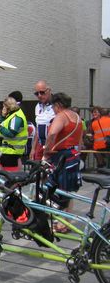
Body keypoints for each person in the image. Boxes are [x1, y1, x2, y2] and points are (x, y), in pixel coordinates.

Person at [42, 92, 83, 233]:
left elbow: (52, 133)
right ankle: (66, 222)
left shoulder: (61, 116)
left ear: (58, 105)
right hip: (74, 155)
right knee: (68, 190)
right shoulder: (76, 117)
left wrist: (46, 151)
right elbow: (80, 140)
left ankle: (61, 224)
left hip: (62, 156)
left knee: (59, 189)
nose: (53, 109)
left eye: (53, 106)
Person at [0, 97, 27, 171]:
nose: (3, 108)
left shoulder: (16, 117)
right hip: (7, 151)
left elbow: (11, 133)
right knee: (5, 176)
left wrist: (0, 127)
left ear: (8, 106)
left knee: (10, 176)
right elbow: (2, 123)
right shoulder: (11, 115)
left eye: (4, 106)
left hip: (11, 151)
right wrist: (2, 116)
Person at [30, 80, 55, 160]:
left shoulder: (56, 105)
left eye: (42, 92)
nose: (39, 95)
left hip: (52, 146)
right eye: (37, 94)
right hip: (40, 145)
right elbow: (38, 129)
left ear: (49, 91)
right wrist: (33, 148)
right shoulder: (38, 106)